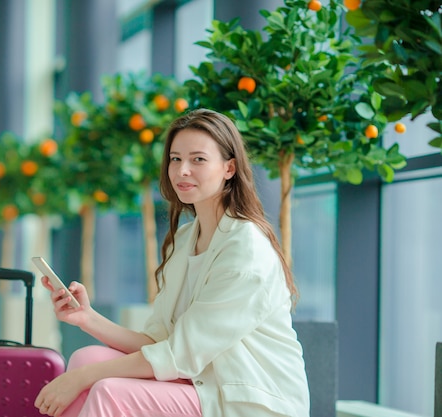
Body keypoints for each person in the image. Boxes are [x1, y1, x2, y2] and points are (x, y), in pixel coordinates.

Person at [34, 108, 310, 417]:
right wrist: (87, 318)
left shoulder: (245, 249)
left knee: (107, 390)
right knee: (87, 359)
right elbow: (157, 341)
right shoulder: (185, 239)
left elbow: (180, 354)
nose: (182, 171)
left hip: (249, 400)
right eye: (176, 159)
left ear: (229, 168)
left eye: (198, 159)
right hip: (201, 380)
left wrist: (81, 379)